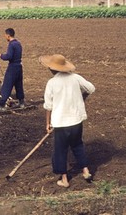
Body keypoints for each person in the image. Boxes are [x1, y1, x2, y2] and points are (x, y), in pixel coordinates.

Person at [39, 54, 95, 188]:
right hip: (76, 120)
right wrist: (82, 98)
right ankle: (86, 171)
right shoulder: (76, 78)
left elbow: (48, 105)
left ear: (53, 69)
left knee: (60, 150)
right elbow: (91, 88)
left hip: (61, 122)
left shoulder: (52, 83)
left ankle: (64, 180)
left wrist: (48, 123)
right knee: (77, 145)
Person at [0, 28, 25, 112]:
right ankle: (21, 103)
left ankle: (1, 105)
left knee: (6, 86)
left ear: (8, 35)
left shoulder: (11, 44)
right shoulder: (18, 43)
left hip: (12, 68)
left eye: (5, 35)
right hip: (19, 67)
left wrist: (0, 56)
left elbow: (9, 56)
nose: (5, 37)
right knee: (18, 85)